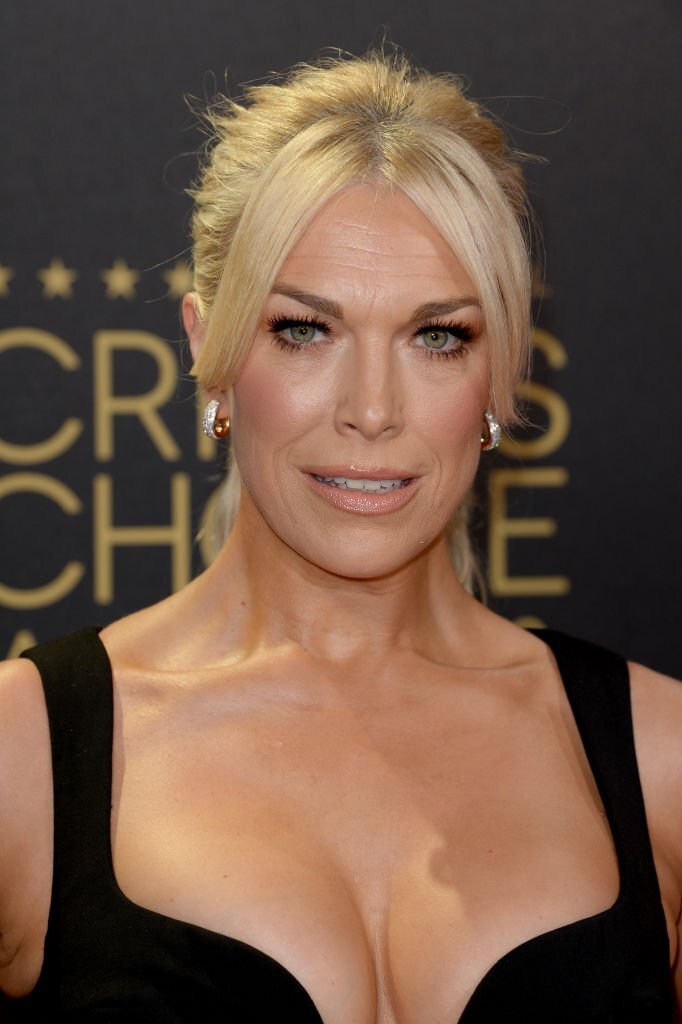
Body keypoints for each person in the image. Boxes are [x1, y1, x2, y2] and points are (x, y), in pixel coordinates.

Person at [0, 47, 680, 1024]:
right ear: (208, 348)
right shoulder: (23, 756)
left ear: (498, 372)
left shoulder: (661, 756)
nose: (371, 409)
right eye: (305, 330)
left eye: (437, 336)